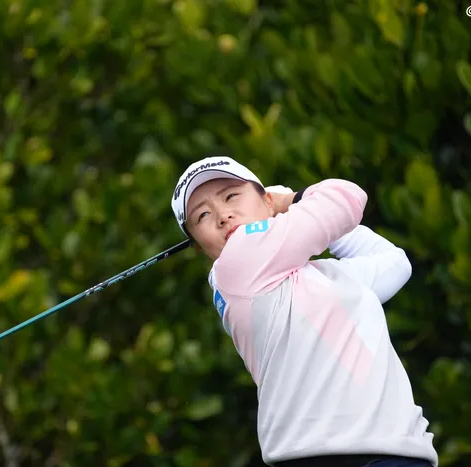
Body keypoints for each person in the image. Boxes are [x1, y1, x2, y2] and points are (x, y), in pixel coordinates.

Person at [170, 155, 438, 467]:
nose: (223, 216)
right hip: (319, 458)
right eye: (202, 215)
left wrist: (285, 205)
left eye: (231, 196)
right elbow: (344, 198)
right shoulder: (235, 265)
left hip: (395, 454)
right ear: (200, 247)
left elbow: (394, 263)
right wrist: (288, 200)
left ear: (266, 201)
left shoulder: (327, 279)